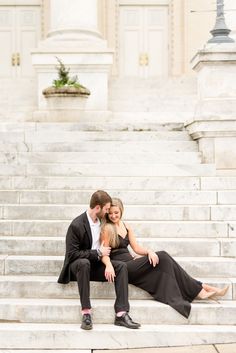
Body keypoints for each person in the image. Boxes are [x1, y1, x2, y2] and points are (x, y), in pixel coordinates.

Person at [100, 198, 229, 319]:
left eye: (116, 212)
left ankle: (201, 289)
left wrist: (149, 251)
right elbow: (104, 253)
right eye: (110, 213)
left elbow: (136, 248)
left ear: (121, 210)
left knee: (164, 262)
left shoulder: (126, 226)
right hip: (121, 267)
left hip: (132, 262)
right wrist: (109, 265)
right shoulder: (107, 228)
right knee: (163, 256)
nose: (113, 216)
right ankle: (202, 289)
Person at [58, 190, 140, 330]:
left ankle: (121, 313)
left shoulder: (102, 222)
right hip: (78, 267)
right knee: (84, 263)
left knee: (121, 267)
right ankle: (86, 313)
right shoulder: (76, 225)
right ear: (98, 208)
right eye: (107, 209)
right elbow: (72, 255)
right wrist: (96, 252)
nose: (108, 212)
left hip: (95, 265)